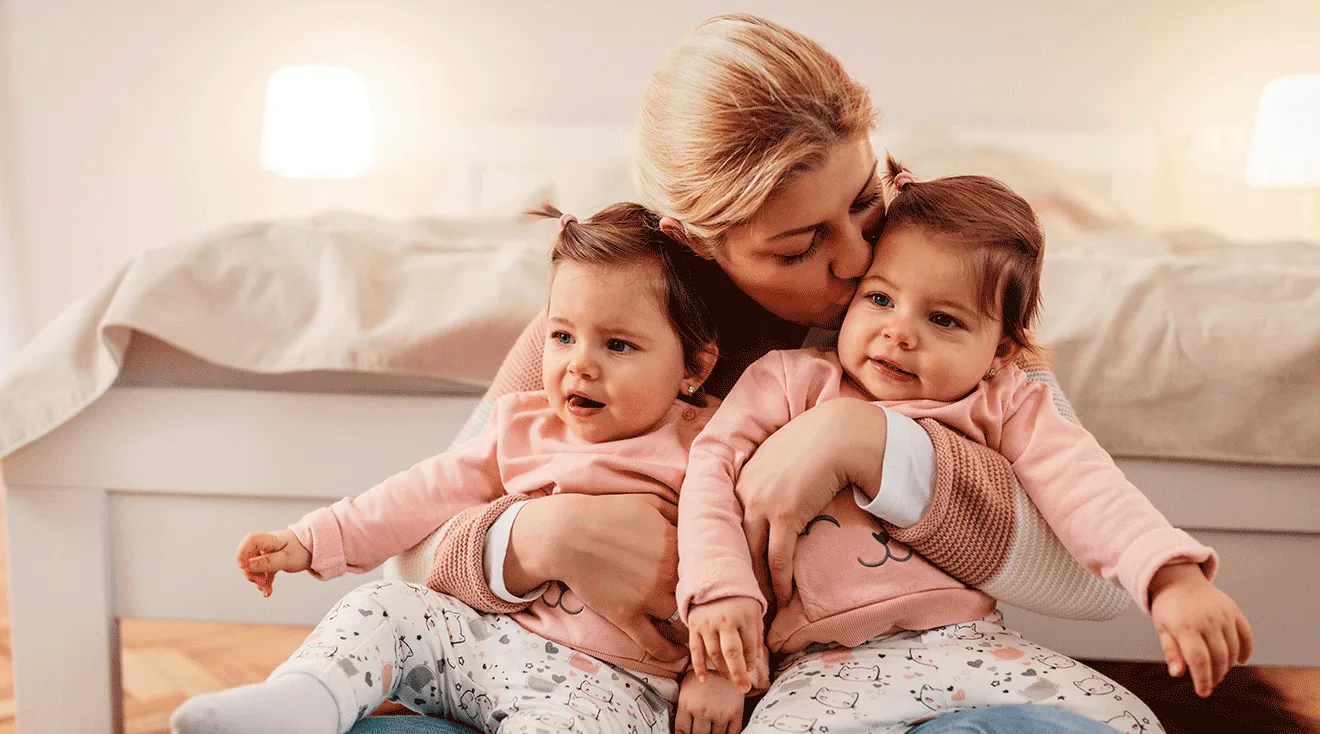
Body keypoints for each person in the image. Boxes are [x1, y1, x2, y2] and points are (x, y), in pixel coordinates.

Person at [362, 13, 1160, 734]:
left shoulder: (933, 305)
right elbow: (410, 555)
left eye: (866, 199)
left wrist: (872, 444)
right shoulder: (603, 332)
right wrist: (536, 538)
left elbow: (1094, 584)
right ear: (696, 242)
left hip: (883, 692)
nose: (857, 258)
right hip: (601, 699)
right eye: (799, 245)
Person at [678, 158, 1253, 733]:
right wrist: (719, 606)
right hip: (822, 664)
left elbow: (1085, 485)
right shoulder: (788, 380)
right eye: (880, 299)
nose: (899, 332)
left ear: (1001, 351)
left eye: (944, 320)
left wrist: (1173, 579)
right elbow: (710, 474)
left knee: (1126, 721)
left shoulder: (1006, 400)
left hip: (970, 644)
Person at [171, 203, 739, 734]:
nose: (579, 365)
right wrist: (313, 539)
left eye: (617, 345)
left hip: (612, 686)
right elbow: (422, 493)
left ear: (694, 366)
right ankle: (300, 702)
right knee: (379, 609)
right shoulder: (522, 423)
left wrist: (716, 674)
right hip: (482, 639)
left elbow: (741, 571)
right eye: (562, 336)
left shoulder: (711, 445)